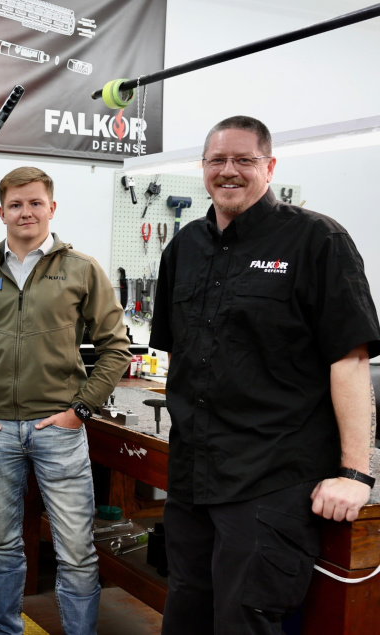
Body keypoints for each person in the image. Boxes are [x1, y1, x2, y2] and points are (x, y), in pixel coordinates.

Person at [150, 115, 380, 634]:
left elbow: (350, 361)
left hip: (271, 479)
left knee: (244, 620)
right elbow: (182, 356)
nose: (228, 170)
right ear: (203, 167)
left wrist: (355, 473)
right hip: (192, 476)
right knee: (184, 614)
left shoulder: (317, 240)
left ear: (270, 166)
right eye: (217, 160)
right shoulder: (183, 248)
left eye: (244, 160)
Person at [0, 166, 131, 635]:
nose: (25, 212)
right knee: (2, 543)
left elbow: (116, 347)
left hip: (59, 430)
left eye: (34, 203)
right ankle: (4, 630)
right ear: (1, 212)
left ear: (52, 207)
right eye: (15, 204)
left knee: (76, 549)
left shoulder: (81, 268)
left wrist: (80, 410)